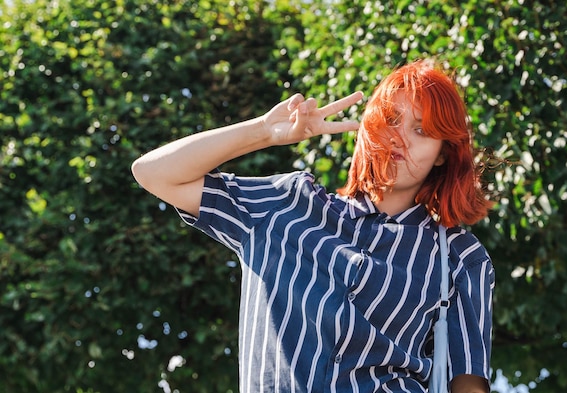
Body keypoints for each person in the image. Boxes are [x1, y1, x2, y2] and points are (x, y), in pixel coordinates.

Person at [132, 59, 495, 393]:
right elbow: (154, 174)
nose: (400, 137)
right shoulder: (287, 204)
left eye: (421, 129)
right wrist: (264, 132)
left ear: (444, 153)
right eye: (391, 119)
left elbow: (467, 384)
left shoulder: (459, 256)